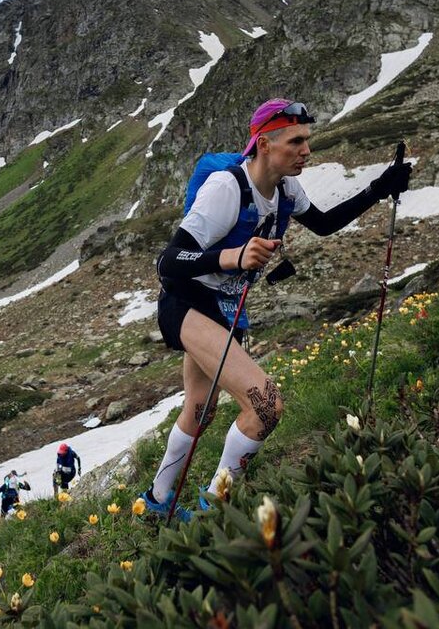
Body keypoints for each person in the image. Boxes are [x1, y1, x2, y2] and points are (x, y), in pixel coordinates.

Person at [144, 98, 412, 519]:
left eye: (307, 141)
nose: (307, 150)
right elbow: (168, 262)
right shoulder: (226, 188)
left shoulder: (286, 188)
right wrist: (232, 257)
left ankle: (158, 501)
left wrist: (381, 187)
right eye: (296, 141)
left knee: (201, 409)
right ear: (264, 144)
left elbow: (323, 224)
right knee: (265, 405)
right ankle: (214, 510)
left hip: (225, 307)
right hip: (186, 304)